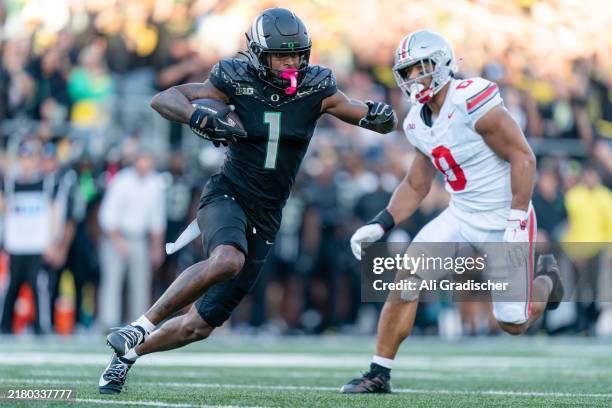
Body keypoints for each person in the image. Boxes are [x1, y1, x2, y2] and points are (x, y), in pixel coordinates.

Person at [98, 7, 397, 394]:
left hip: (268, 214)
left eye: (296, 53)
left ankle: (128, 354)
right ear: (258, 53)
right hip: (228, 193)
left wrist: (381, 117)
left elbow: (369, 117)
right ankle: (138, 326)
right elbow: (164, 98)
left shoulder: (318, 88)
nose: (291, 62)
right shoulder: (233, 79)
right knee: (227, 259)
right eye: (281, 55)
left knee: (197, 326)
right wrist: (196, 117)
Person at [340, 30, 564, 393]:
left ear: (442, 63)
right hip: (460, 215)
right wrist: (381, 224)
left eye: (420, 69)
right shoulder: (416, 122)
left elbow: (523, 156)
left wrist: (518, 217)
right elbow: (416, 185)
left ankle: (548, 278)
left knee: (513, 322)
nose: (414, 79)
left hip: (503, 217)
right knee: (407, 276)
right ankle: (378, 373)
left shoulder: (471, 101)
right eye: (408, 72)